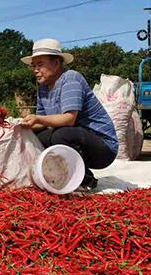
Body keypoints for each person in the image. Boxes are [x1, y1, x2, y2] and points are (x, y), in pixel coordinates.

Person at [20, 38, 118, 188]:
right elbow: (41, 123)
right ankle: (63, 175)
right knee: (39, 137)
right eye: (33, 66)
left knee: (61, 134)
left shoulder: (71, 79)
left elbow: (69, 119)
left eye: (40, 64)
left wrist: (37, 118)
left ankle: (85, 179)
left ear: (56, 63)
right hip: (78, 140)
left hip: (102, 147)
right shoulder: (43, 89)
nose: (35, 70)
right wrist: (21, 126)